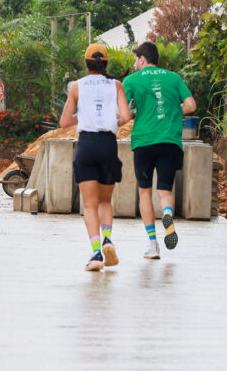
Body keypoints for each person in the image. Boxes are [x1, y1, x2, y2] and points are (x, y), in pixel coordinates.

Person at [60, 43, 131, 271]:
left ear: (86, 63)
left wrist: (83, 118)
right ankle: (108, 239)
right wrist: (111, 122)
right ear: (106, 63)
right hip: (108, 145)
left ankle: (96, 252)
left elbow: (64, 122)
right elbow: (126, 116)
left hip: (87, 145)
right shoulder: (116, 85)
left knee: (89, 205)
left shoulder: (77, 86)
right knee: (104, 201)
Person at [123, 41, 196, 259]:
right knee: (165, 191)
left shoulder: (131, 80)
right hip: (169, 142)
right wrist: (173, 110)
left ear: (142, 59)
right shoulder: (174, 78)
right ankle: (167, 214)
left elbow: (123, 112)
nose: (134, 63)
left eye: (135, 59)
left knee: (144, 192)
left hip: (144, 142)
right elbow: (191, 105)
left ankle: (153, 245)